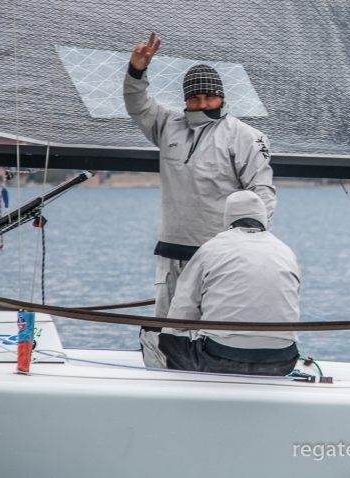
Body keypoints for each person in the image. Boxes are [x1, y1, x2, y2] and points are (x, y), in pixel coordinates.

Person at [123, 32, 277, 319]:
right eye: (195, 98)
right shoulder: (168, 124)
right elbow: (137, 104)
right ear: (185, 100)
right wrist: (136, 70)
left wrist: (255, 247)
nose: (203, 104)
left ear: (222, 96)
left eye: (209, 97)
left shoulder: (245, 136)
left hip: (223, 255)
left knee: (215, 327)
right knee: (166, 329)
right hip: (172, 251)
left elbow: (262, 193)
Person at [140, 191, 301, 375]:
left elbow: (181, 313)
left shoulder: (211, 249)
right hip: (283, 360)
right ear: (263, 218)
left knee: (153, 334)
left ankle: (169, 390)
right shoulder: (286, 252)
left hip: (220, 358)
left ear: (227, 219)